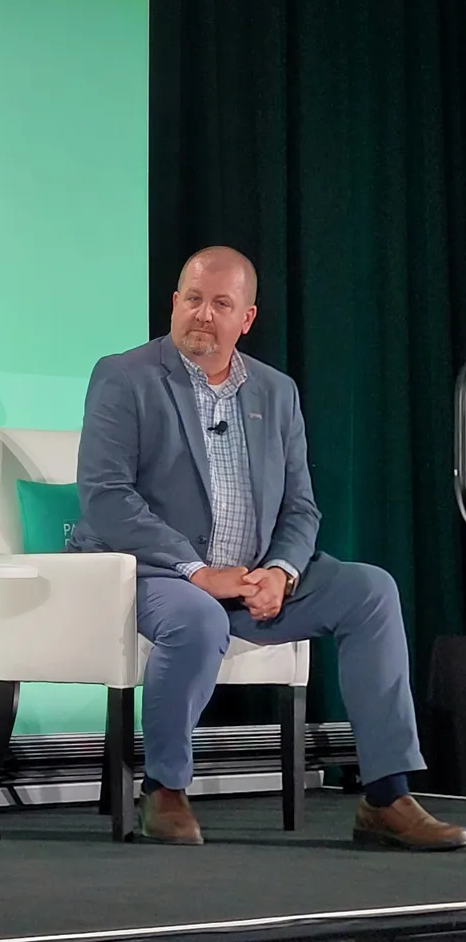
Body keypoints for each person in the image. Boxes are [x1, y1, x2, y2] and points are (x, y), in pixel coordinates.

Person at [70, 245, 466, 850]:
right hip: (155, 576)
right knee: (198, 617)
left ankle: (386, 795)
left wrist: (280, 571)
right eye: (193, 300)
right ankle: (165, 789)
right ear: (174, 304)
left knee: (371, 590)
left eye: (220, 304)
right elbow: (105, 496)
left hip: (256, 578)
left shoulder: (276, 392)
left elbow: (301, 505)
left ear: (246, 319)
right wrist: (199, 571)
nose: (203, 315)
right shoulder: (126, 377)